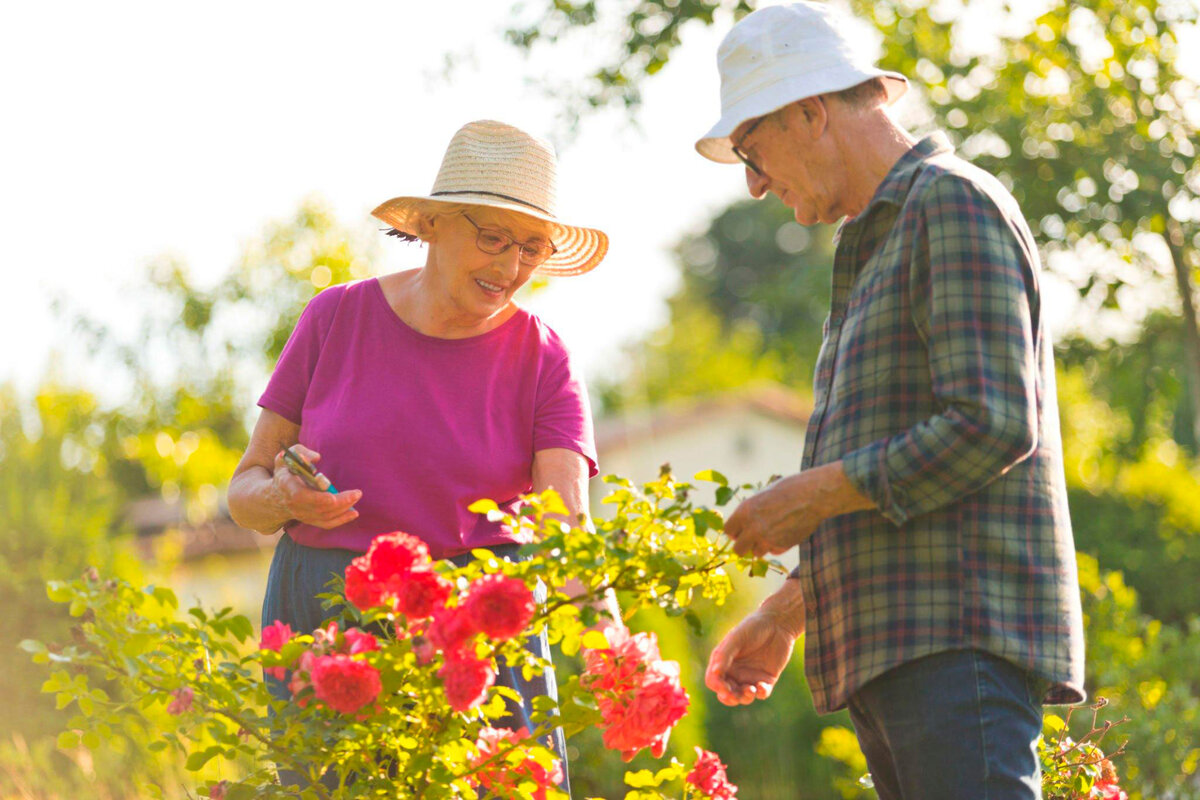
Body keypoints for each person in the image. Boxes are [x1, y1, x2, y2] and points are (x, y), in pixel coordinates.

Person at [694, 5, 1086, 799]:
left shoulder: (951, 201)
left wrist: (812, 494)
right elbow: (898, 470)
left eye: (752, 150)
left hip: (956, 650)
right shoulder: (876, 240)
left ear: (810, 112)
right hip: (907, 656)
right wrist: (786, 613)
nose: (754, 182)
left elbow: (992, 424)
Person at [227, 119, 612, 795]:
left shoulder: (543, 356)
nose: (509, 268)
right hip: (327, 624)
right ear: (432, 224)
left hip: (478, 638)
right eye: (492, 237)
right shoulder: (335, 317)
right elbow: (244, 491)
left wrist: (617, 653)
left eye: (530, 248)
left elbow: (566, 528)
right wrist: (284, 497)